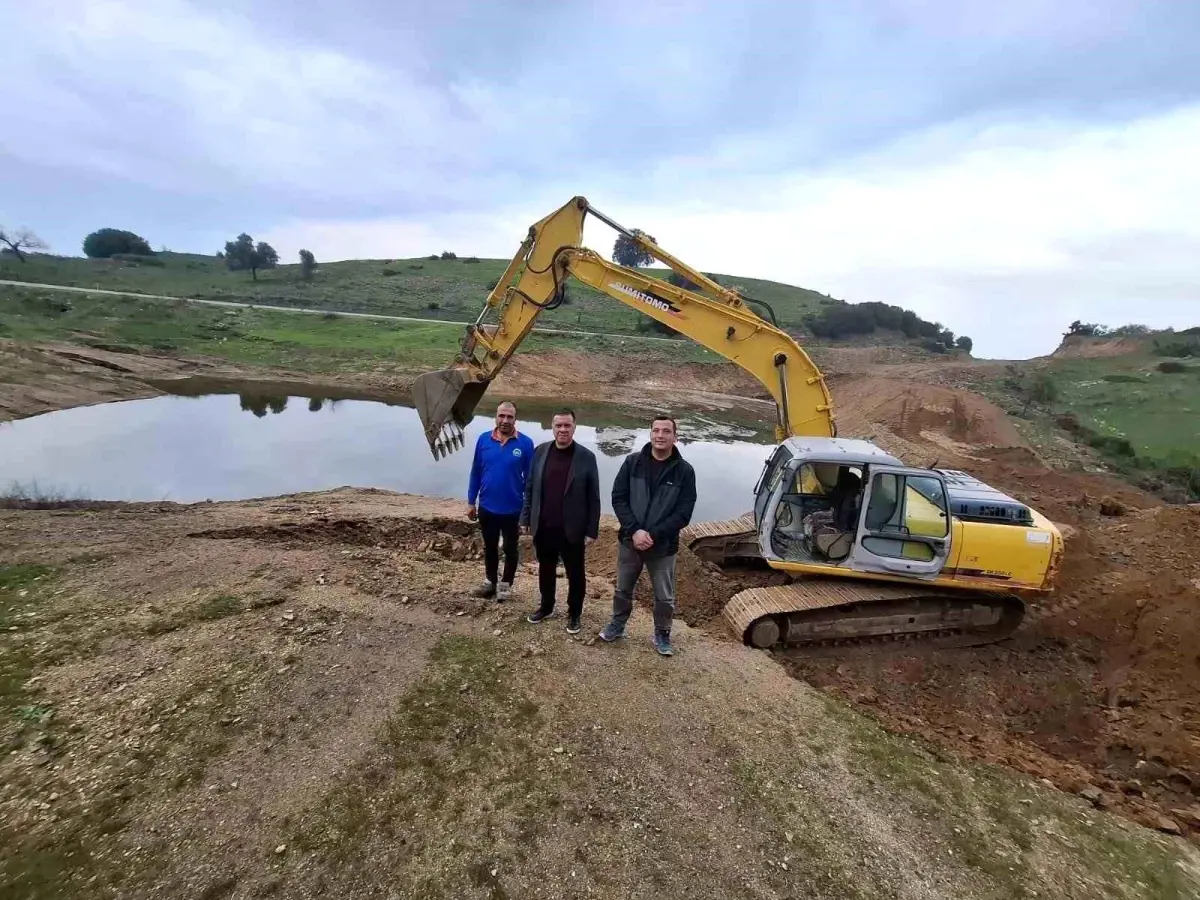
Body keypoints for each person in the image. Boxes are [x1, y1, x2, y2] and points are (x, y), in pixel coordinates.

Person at [599, 414, 697, 656]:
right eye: (656, 430)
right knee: (623, 589)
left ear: (676, 437)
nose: (660, 436)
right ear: (650, 433)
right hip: (630, 541)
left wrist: (652, 534)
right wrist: (634, 531)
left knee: (664, 596)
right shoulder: (632, 463)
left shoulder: (684, 471)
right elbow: (618, 498)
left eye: (666, 431)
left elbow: (684, 513)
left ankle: (662, 634)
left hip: (662, 547)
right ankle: (617, 625)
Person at [519, 408, 601, 634]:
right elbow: (530, 487)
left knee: (576, 575)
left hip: (572, 530)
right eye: (559, 425)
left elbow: (593, 497)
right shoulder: (540, 451)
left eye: (567, 425)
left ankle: (574, 613)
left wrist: (591, 530)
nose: (563, 429)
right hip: (543, 527)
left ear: (574, 427)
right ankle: (546, 607)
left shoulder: (586, 457)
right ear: (552, 427)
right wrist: (526, 516)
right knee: (545, 570)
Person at [466, 400, 534, 601]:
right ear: (495, 417)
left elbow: (530, 481)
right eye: (501, 416)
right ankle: (490, 583)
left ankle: (505, 587)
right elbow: (476, 471)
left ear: (515, 419)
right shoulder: (483, 440)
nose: (505, 420)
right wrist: (471, 501)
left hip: (513, 510)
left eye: (509, 417)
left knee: (510, 550)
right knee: (490, 547)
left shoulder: (526, 443)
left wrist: (527, 513)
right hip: (487, 507)